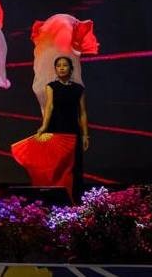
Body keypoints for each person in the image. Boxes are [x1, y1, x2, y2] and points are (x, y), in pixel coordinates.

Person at [34, 56, 89, 202]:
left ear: (71, 69)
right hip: (56, 129)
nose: (62, 68)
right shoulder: (51, 86)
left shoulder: (78, 89)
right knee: (57, 165)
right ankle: (56, 199)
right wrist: (44, 126)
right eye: (58, 65)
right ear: (55, 69)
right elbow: (49, 107)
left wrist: (85, 135)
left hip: (73, 130)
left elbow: (83, 112)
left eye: (65, 65)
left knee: (75, 165)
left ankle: (76, 199)